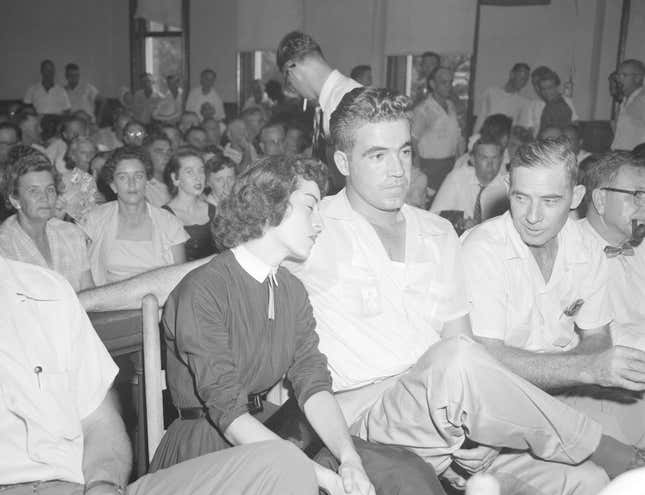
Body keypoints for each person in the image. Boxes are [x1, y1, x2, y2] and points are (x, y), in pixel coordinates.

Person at [287, 86, 641, 494]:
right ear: (342, 162)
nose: (398, 170)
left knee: (586, 479)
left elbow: (464, 349)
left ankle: (582, 459)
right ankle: (606, 447)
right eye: (377, 156)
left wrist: (478, 434)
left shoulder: (437, 233)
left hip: (451, 419)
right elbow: (228, 265)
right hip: (369, 422)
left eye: (404, 152)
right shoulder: (312, 229)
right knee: (457, 361)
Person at [151, 153, 444, 495]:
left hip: (274, 429)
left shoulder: (291, 289)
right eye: (310, 207)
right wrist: (325, 479)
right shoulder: (203, 289)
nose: (320, 223)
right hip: (208, 449)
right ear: (268, 204)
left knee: (403, 472)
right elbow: (229, 418)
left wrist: (349, 459)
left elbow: (314, 384)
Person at [0, 253, 321, 495]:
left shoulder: (45, 289)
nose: (315, 220)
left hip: (85, 485)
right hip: (214, 425)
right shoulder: (220, 281)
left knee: (285, 462)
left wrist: (103, 484)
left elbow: (101, 424)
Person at [461, 138, 645, 476]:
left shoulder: (585, 248)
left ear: (576, 197)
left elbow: (598, 339)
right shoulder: (483, 250)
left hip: (564, 393)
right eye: (521, 198)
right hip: (498, 402)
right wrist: (586, 367)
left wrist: (584, 367)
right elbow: (487, 360)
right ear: (507, 188)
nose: (532, 216)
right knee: (615, 469)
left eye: (550, 201)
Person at [81, 145, 187, 285]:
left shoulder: (170, 223)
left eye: (138, 176)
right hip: (107, 304)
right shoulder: (95, 219)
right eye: (123, 177)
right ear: (113, 185)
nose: (132, 184)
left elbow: (180, 281)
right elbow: (78, 268)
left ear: (147, 182)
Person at [0, 145, 92, 291]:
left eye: (50, 189)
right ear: (15, 200)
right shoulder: (5, 244)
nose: (45, 198)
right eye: (33, 191)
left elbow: (90, 293)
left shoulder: (71, 233)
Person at [431, 136, 508, 225]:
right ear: (473, 159)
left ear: (501, 159)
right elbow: (435, 216)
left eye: (494, 158)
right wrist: (460, 222)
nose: (490, 164)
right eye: (484, 158)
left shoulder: (507, 186)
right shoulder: (457, 178)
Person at [412, 66, 463, 191]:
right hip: (430, 168)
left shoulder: (451, 106)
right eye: (444, 82)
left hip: (450, 166)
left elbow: (456, 137)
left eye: (450, 82)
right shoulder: (423, 109)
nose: (449, 86)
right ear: (433, 84)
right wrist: (417, 173)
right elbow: (412, 141)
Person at [162, 147, 216, 261]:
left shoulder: (214, 211)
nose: (198, 177)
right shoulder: (164, 216)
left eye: (201, 170)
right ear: (175, 178)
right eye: (189, 172)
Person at [516, 69, 578, 137]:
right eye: (543, 89)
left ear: (557, 87)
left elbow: (553, 134)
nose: (547, 92)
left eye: (550, 88)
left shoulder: (559, 106)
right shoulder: (549, 105)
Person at [474, 63, 530, 133]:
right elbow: (481, 118)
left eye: (526, 79)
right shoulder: (491, 92)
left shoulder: (523, 102)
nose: (524, 82)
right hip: (486, 138)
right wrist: (473, 140)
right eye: (521, 78)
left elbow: (521, 127)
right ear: (512, 74)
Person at [58, 136, 98, 222]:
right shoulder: (65, 180)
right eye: (83, 152)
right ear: (73, 156)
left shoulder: (103, 178)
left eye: (92, 152)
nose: (89, 156)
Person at [612, 59, 645, 150]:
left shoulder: (642, 100)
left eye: (623, 75)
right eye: (618, 75)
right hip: (621, 157)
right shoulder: (625, 100)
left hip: (637, 160)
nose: (618, 80)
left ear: (638, 78)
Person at [144, 134, 172, 207]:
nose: (166, 156)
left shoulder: (178, 182)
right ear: (147, 155)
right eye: (159, 152)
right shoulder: (144, 188)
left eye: (169, 152)